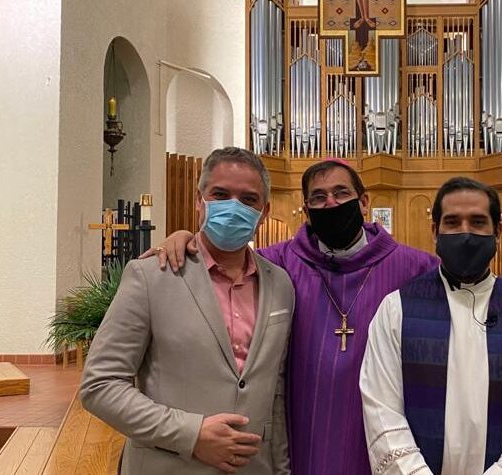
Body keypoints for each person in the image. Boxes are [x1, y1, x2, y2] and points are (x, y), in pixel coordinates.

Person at [146, 159, 439, 474]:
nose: (331, 204)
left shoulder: (417, 268)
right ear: (307, 209)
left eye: (341, 193)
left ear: (364, 202)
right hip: (300, 427)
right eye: (318, 197)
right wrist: (184, 238)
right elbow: (221, 262)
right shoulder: (276, 263)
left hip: (379, 430)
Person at [81, 147, 294, 475]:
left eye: (248, 199)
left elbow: (275, 393)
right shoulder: (152, 276)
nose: (233, 207)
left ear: (264, 212)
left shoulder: (280, 284)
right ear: (199, 201)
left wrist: (281, 469)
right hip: (169, 465)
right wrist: (190, 434)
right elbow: (100, 385)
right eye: (220, 195)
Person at [359, 177, 502, 475]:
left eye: (477, 222)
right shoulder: (397, 309)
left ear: (498, 231)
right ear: (435, 231)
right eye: (452, 222)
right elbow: (382, 412)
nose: (465, 233)